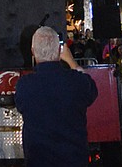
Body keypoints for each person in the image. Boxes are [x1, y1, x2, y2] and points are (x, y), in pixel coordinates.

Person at [15, 27, 98, 167]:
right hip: (74, 160)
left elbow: (20, 106)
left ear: (33, 52)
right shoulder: (77, 81)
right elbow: (91, 91)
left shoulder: (24, 85)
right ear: (60, 51)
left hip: (38, 161)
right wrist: (71, 61)